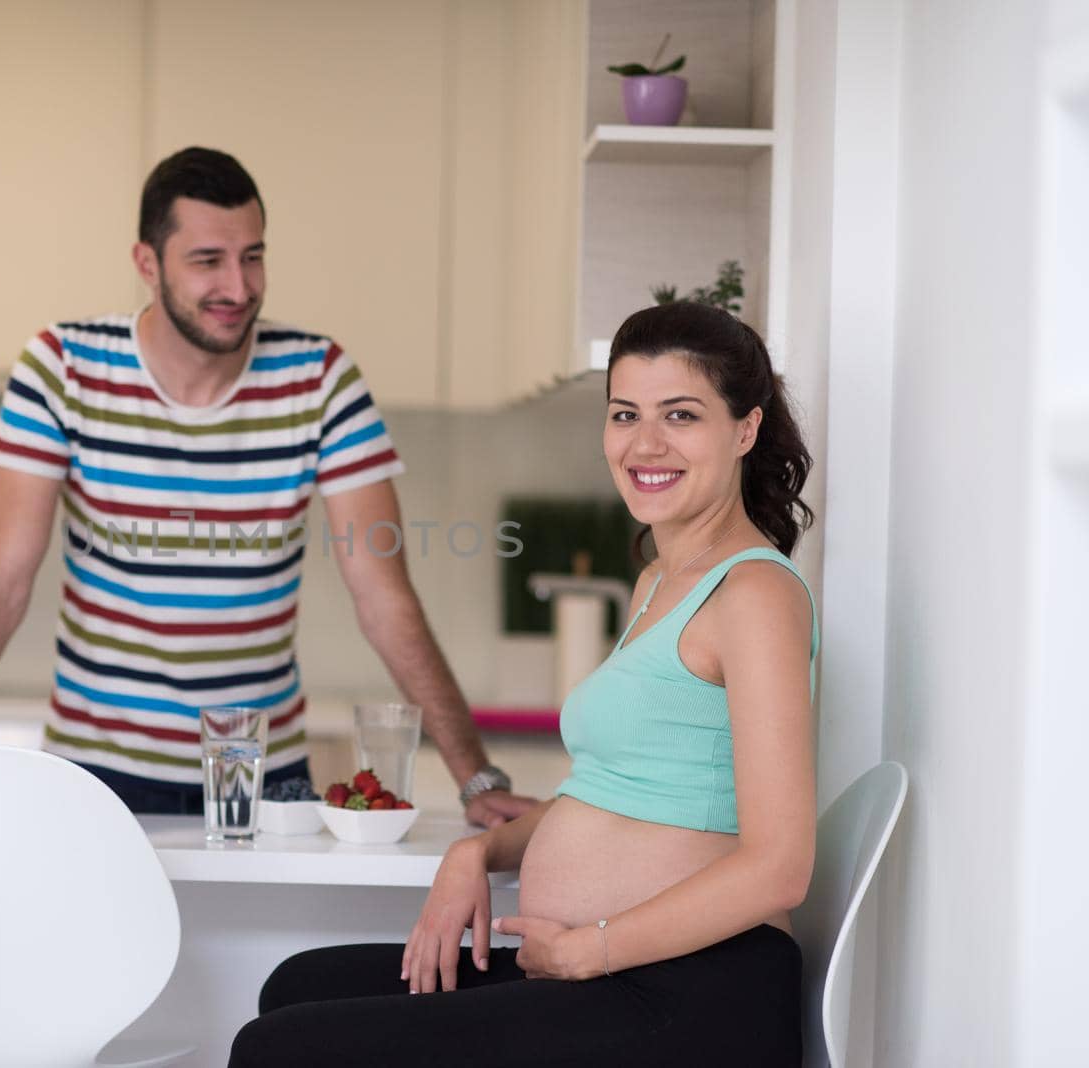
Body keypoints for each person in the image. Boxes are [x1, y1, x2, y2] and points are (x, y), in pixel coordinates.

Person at [0, 147, 535, 831]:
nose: (238, 287)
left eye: (253, 258)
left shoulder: (319, 376)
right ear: (147, 263)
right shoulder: (63, 367)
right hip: (98, 775)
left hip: (263, 776)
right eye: (207, 261)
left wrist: (475, 777)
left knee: (264, 970)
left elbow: (382, 593)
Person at [229, 300, 819, 1066]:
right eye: (624, 414)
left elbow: (781, 868)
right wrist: (479, 854)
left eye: (680, 415)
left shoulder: (755, 595)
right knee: (297, 986)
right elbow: (624, 794)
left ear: (745, 429)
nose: (645, 443)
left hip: (692, 992)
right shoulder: (657, 582)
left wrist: (590, 951)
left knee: (281, 1049)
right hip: (611, 970)